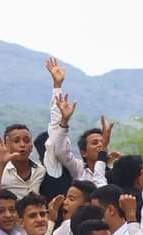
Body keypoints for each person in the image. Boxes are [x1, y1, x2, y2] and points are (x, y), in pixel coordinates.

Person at [44, 58, 111, 186]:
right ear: (83, 152)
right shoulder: (78, 170)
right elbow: (60, 150)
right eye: (94, 142)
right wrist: (64, 121)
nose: (100, 146)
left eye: (103, 142)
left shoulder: (112, 173)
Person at [0, 123, 44, 198]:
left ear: (31, 147)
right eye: (16, 141)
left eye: (27, 141)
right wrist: (1, 164)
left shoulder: (41, 171)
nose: (22, 145)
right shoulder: (0, 172)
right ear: (7, 146)